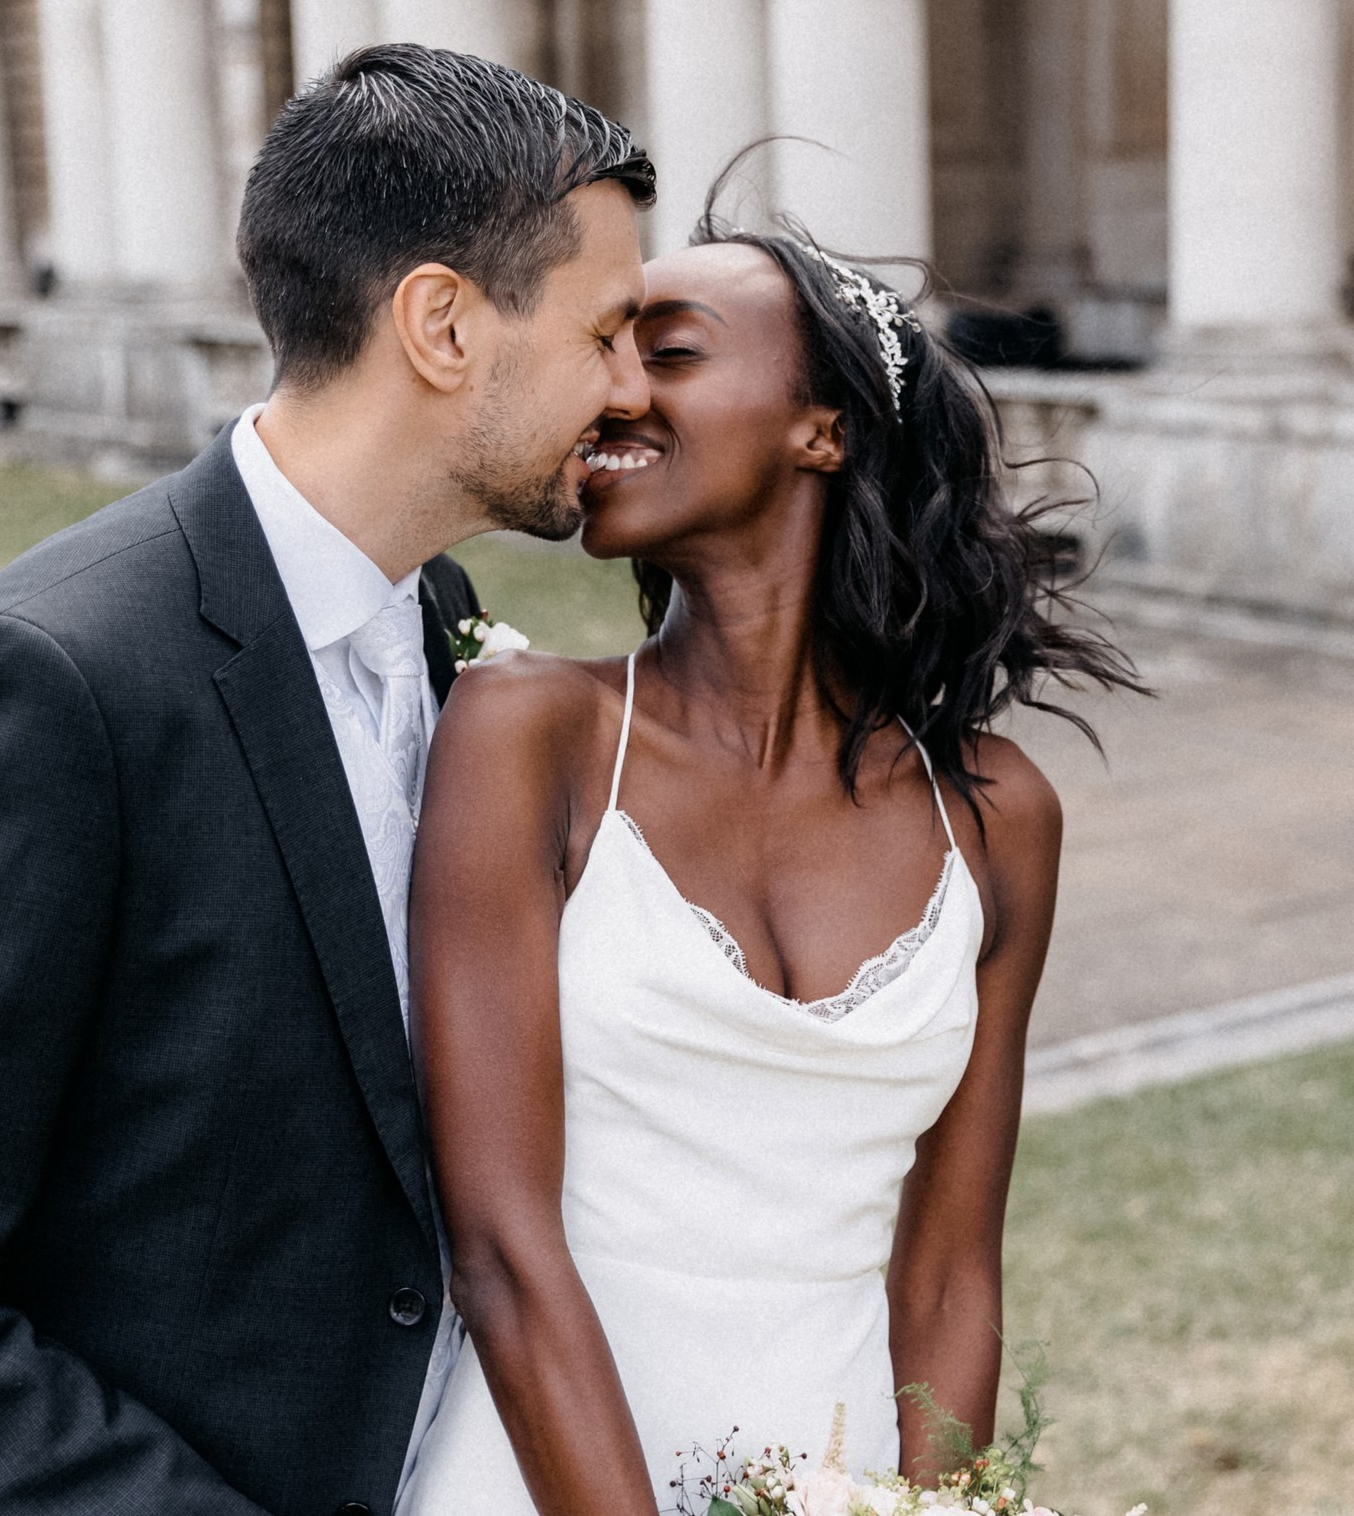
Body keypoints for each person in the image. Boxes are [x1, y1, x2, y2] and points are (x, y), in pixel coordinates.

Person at [0, 45, 654, 1515]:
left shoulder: (440, 627)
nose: (628, 389)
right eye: (607, 332)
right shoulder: (41, 689)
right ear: (442, 325)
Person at [405, 215, 1138, 1513]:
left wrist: (933, 1508)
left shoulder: (997, 816)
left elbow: (951, 1276)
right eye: (606, 350)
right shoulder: (531, 735)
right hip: (542, 1479)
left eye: (668, 352)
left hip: (839, 1475)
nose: (615, 388)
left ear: (824, 429)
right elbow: (505, 1251)